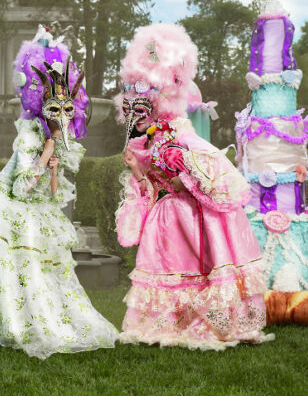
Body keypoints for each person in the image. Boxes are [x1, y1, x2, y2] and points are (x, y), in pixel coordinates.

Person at [0, 27, 118, 359]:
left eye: (68, 111)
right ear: (42, 107)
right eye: (55, 110)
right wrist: (48, 151)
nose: (62, 119)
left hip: (37, 204)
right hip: (8, 204)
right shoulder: (29, 138)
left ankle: (43, 314)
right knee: (15, 246)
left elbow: (52, 194)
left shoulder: (57, 142)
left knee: (51, 261)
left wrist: (53, 164)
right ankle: (12, 319)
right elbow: (22, 188)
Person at [114, 23, 273, 350]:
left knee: (198, 268)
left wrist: (184, 179)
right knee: (165, 269)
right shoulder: (150, 142)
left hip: (193, 218)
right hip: (166, 222)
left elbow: (215, 170)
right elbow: (150, 189)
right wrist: (138, 169)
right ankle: (167, 323)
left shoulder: (182, 134)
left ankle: (208, 321)